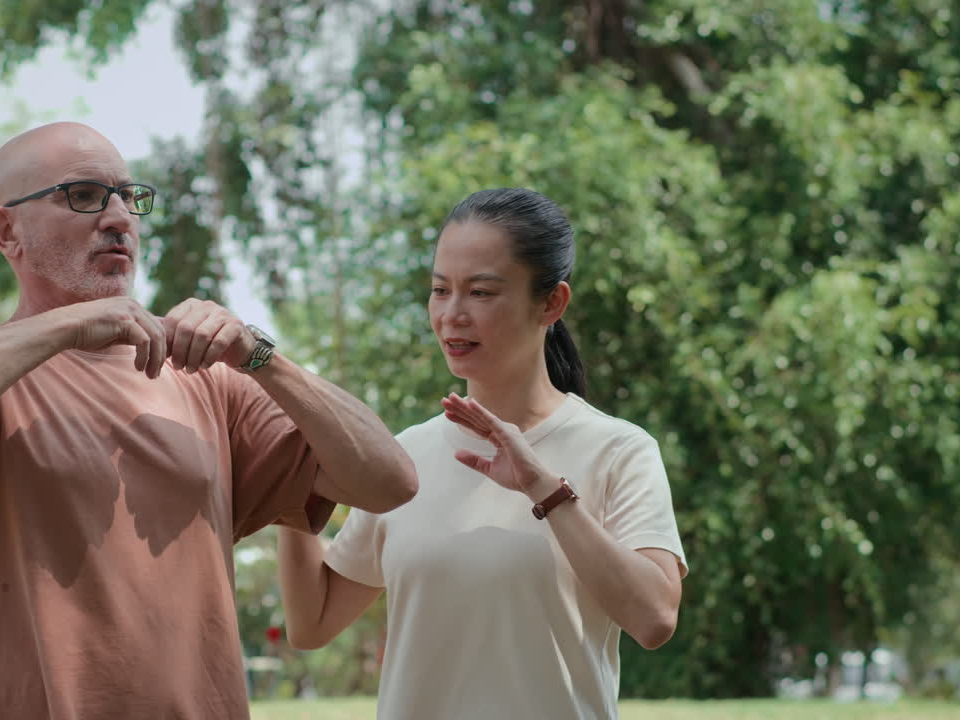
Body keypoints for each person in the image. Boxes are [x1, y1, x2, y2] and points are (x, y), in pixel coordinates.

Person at [0, 121, 418, 720]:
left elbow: (391, 481)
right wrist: (72, 325)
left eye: (129, 197)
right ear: (7, 232)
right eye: (83, 195)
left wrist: (262, 356)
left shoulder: (209, 381)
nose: (119, 217)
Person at [276, 188, 687, 720]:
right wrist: (289, 479)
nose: (452, 315)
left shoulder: (619, 450)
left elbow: (654, 618)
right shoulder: (405, 457)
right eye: (440, 290)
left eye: (481, 293)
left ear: (552, 303)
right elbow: (313, 623)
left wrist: (545, 489)